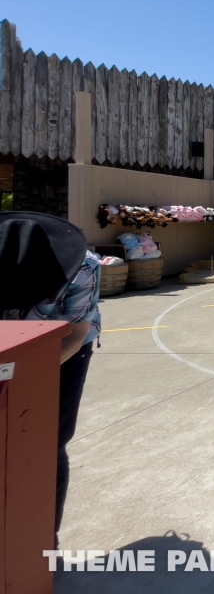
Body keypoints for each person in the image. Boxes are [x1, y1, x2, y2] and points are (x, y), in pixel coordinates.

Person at [0, 211, 101, 544]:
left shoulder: (83, 268)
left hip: (66, 348)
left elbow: (75, 334)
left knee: (49, 440)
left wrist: (21, 378)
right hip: (7, 344)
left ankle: (43, 541)